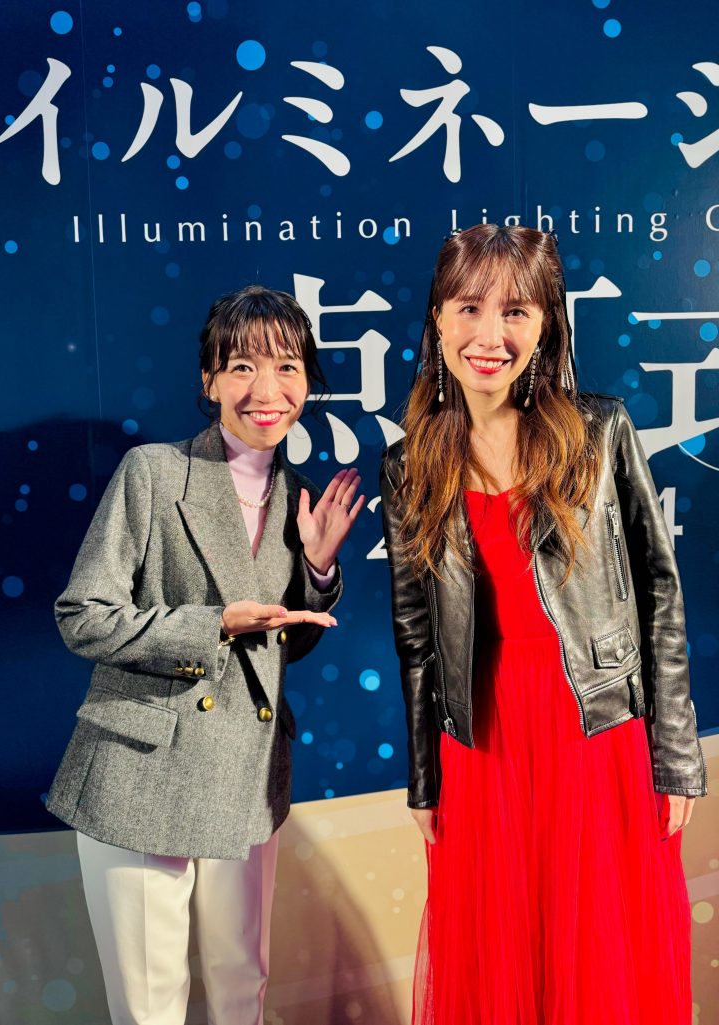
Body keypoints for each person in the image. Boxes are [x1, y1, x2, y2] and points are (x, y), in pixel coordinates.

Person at [380, 224, 706, 1025]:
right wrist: (425, 778)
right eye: (468, 308)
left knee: (600, 961)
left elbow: (660, 592)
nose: (489, 335)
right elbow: (416, 638)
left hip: (595, 731)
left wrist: (676, 754)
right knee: (501, 963)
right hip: (482, 739)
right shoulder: (410, 464)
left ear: (547, 324)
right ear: (438, 319)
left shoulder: (600, 431)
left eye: (515, 311)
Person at [47, 285, 364, 1025]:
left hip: (246, 775)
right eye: (242, 366)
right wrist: (212, 624)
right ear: (210, 380)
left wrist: (318, 568)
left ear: (308, 383)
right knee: (150, 1004)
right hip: (141, 768)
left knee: (240, 988)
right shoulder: (154, 473)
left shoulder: (297, 497)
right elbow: (81, 617)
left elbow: (283, 647)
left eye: (287, 367)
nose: (266, 390)